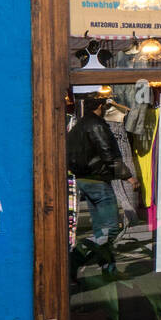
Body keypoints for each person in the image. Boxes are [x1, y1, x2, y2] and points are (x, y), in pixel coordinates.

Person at [66, 95, 131, 277]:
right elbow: (108, 153)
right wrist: (128, 177)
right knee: (111, 228)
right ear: (100, 106)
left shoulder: (79, 125)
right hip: (97, 180)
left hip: (83, 180)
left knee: (100, 229)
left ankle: (108, 269)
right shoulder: (97, 125)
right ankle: (74, 259)